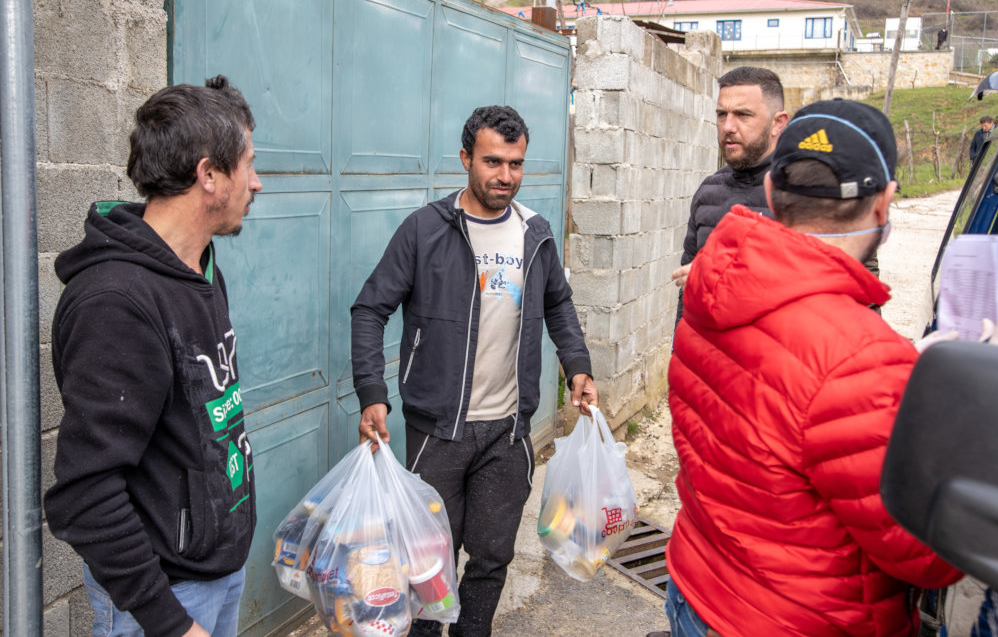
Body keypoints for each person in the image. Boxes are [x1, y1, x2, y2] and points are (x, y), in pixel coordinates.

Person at [662, 99, 963, 636]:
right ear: (885, 202)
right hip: (796, 621)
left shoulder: (710, 290)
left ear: (771, 189)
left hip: (697, 587)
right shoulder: (864, 359)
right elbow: (925, 556)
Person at [351, 105, 597, 637]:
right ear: (465, 158)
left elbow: (558, 303)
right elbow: (370, 308)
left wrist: (576, 365)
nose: (505, 176)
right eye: (492, 162)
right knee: (427, 564)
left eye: (516, 163)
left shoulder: (534, 233)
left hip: (507, 432)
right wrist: (372, 391)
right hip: (437, 431)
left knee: (491, 557)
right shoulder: (425, 230)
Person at [44, 76, 262, 637]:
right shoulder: (117, 302)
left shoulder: (200, 268)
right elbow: (85, 495)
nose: (256, 183)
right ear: (209, 175)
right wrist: (170, 623)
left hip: (216, 571)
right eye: (248, 165)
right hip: (164, 600)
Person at [670, 66, 789, 321]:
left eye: (743, 115)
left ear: (778, 123)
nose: (728, 126)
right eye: (722, 114)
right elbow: (688, 296)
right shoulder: (707, 192)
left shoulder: (806, 196)